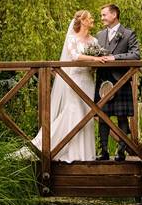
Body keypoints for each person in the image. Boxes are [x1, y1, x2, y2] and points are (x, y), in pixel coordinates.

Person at [27, 10, 104, 162]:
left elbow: (94, 64)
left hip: (88, 81)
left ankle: (86, 154)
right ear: (82, 21)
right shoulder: (72, 39)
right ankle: (63, 150)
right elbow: (75, 56)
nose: (93, 20)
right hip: (74, 80)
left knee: (87, 114)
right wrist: (94, 59)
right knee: (74, 113)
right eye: (90, 18)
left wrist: (95, 64)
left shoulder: (94, 41)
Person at [94, 4, 141, 161]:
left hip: (120, 80)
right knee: (102, 117)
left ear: (114, 15)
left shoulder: (128, 34)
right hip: (102, 81)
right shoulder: (99, 35)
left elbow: (135, 56)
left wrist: (115, 58)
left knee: (122, 117)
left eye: (104, 15)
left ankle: (121, 151)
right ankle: (104, 152)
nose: (102, 18)